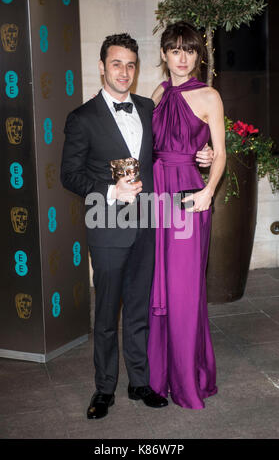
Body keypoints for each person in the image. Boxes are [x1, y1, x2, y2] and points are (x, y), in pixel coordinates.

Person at [61, 33, 213, 419]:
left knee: (140, 311)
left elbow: (176, 148)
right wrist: (111, 190)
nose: (124, 71)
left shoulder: (150, 106)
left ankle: (140, 382)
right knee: (107, 312)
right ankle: (104, 388)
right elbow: (69, 175)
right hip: (108, 225)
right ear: (102, 67)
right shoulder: (81, 118)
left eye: (130, 64)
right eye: (116, 63)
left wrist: (204, 155)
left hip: (150, 224)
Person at [147, 22, 226, 409]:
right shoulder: (158, 93)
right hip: (157, 194)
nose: (183, 58)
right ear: (164, 55)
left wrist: (208, 191)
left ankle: (188, 380)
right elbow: (147, 146)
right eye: (176, 50)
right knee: (157, 285)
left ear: (198, 56)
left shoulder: (210, 95)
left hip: (188, 197)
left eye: (190, 51)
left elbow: (220, 152)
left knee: (183, 288)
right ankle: (160, 377)